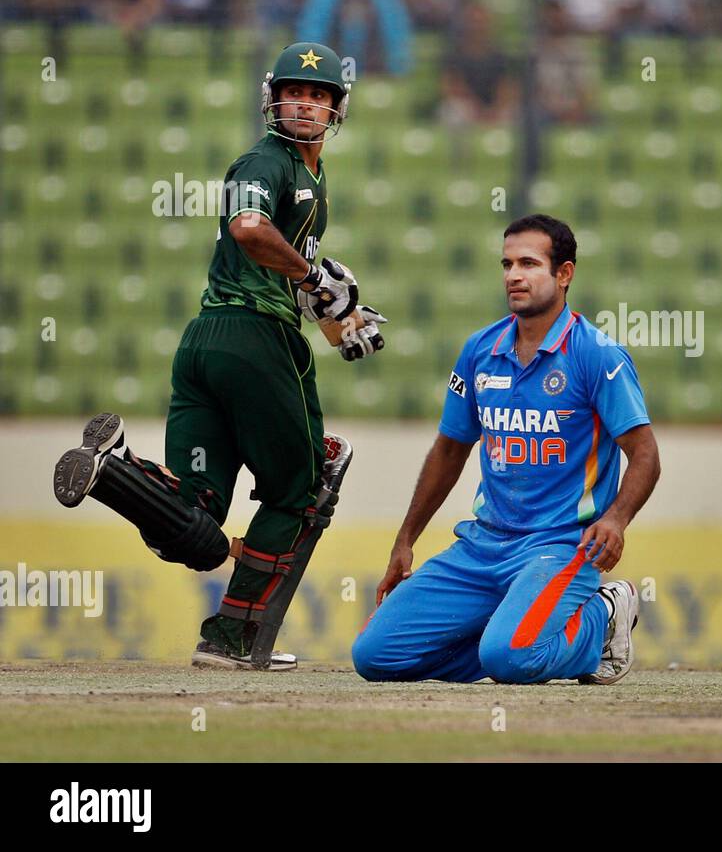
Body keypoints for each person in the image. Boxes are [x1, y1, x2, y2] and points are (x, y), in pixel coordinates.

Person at [52, 42, 387, 671]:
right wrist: (316, 281)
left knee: (197, 522)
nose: (305, 104)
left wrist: (340, 321)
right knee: (301, 491)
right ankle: (233, 640)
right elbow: (250, 232)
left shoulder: (311, 177)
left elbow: (281, 269)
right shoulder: (266, 160)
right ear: (273, 99)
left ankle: (114, 471)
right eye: (295, 92)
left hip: (207, 341)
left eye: (318, 94)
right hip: (255, 342)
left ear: (337, 107)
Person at [353, 214, 661, 685]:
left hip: (560, 546)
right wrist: (405, 541)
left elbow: (646, 455)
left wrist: (615, 519)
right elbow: (450, 450)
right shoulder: (479, 350)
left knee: (511, 658)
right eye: (507, 264)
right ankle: (510, 638)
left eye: (529, 263)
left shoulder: (597, 355)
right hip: (482, 545)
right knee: (375, 657)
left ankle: (602, 616)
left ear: (564, 274)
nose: (514, 275)